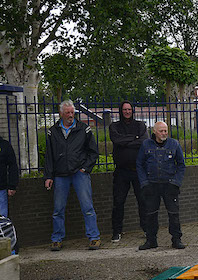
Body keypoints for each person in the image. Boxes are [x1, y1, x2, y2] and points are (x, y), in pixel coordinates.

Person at [44, 100, 101, 251]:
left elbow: (93, 152)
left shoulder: (84, 129)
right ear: (61, 113)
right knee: (58, 210)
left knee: (87, 207)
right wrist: (48, 176)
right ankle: (56, 239)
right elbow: (49, 155)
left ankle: (94, 237)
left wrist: (85, 168)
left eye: (72, 112)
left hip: (79, 173)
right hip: (60, 174)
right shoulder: (53, 131)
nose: (70, 115)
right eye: (67, 112)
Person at [136, 121, 186, 250]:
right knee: (151, 214)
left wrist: (176, 183)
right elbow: (139, 164)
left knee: (173, 213)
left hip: (169, 185)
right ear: (154, 131)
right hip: (152, 185)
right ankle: (151, 240)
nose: (164, 133)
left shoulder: (174, 144)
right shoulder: (146, 145)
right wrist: (144, 183)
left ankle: (176, 239)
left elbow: (181, 165)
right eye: (161, 131)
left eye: (165, 131)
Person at [109, 101, 149, 242]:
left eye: (129, 109)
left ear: (133, 111)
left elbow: (144, 141)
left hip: (138, 170)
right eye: (125, 109)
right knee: (118, 202)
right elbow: (117, 140)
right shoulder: (114, 126)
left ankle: (146, 229)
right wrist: (134, 138)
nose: (127, 112)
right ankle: (117, 231)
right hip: (121, 172)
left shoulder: (140, 125)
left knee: (143, 201)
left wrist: (126, 142)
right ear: (121, 111)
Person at [0, 135, 18, 218]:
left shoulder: (4, 145)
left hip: (1, 189)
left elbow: (12, 165)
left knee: (2, 220)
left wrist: (12, 185)